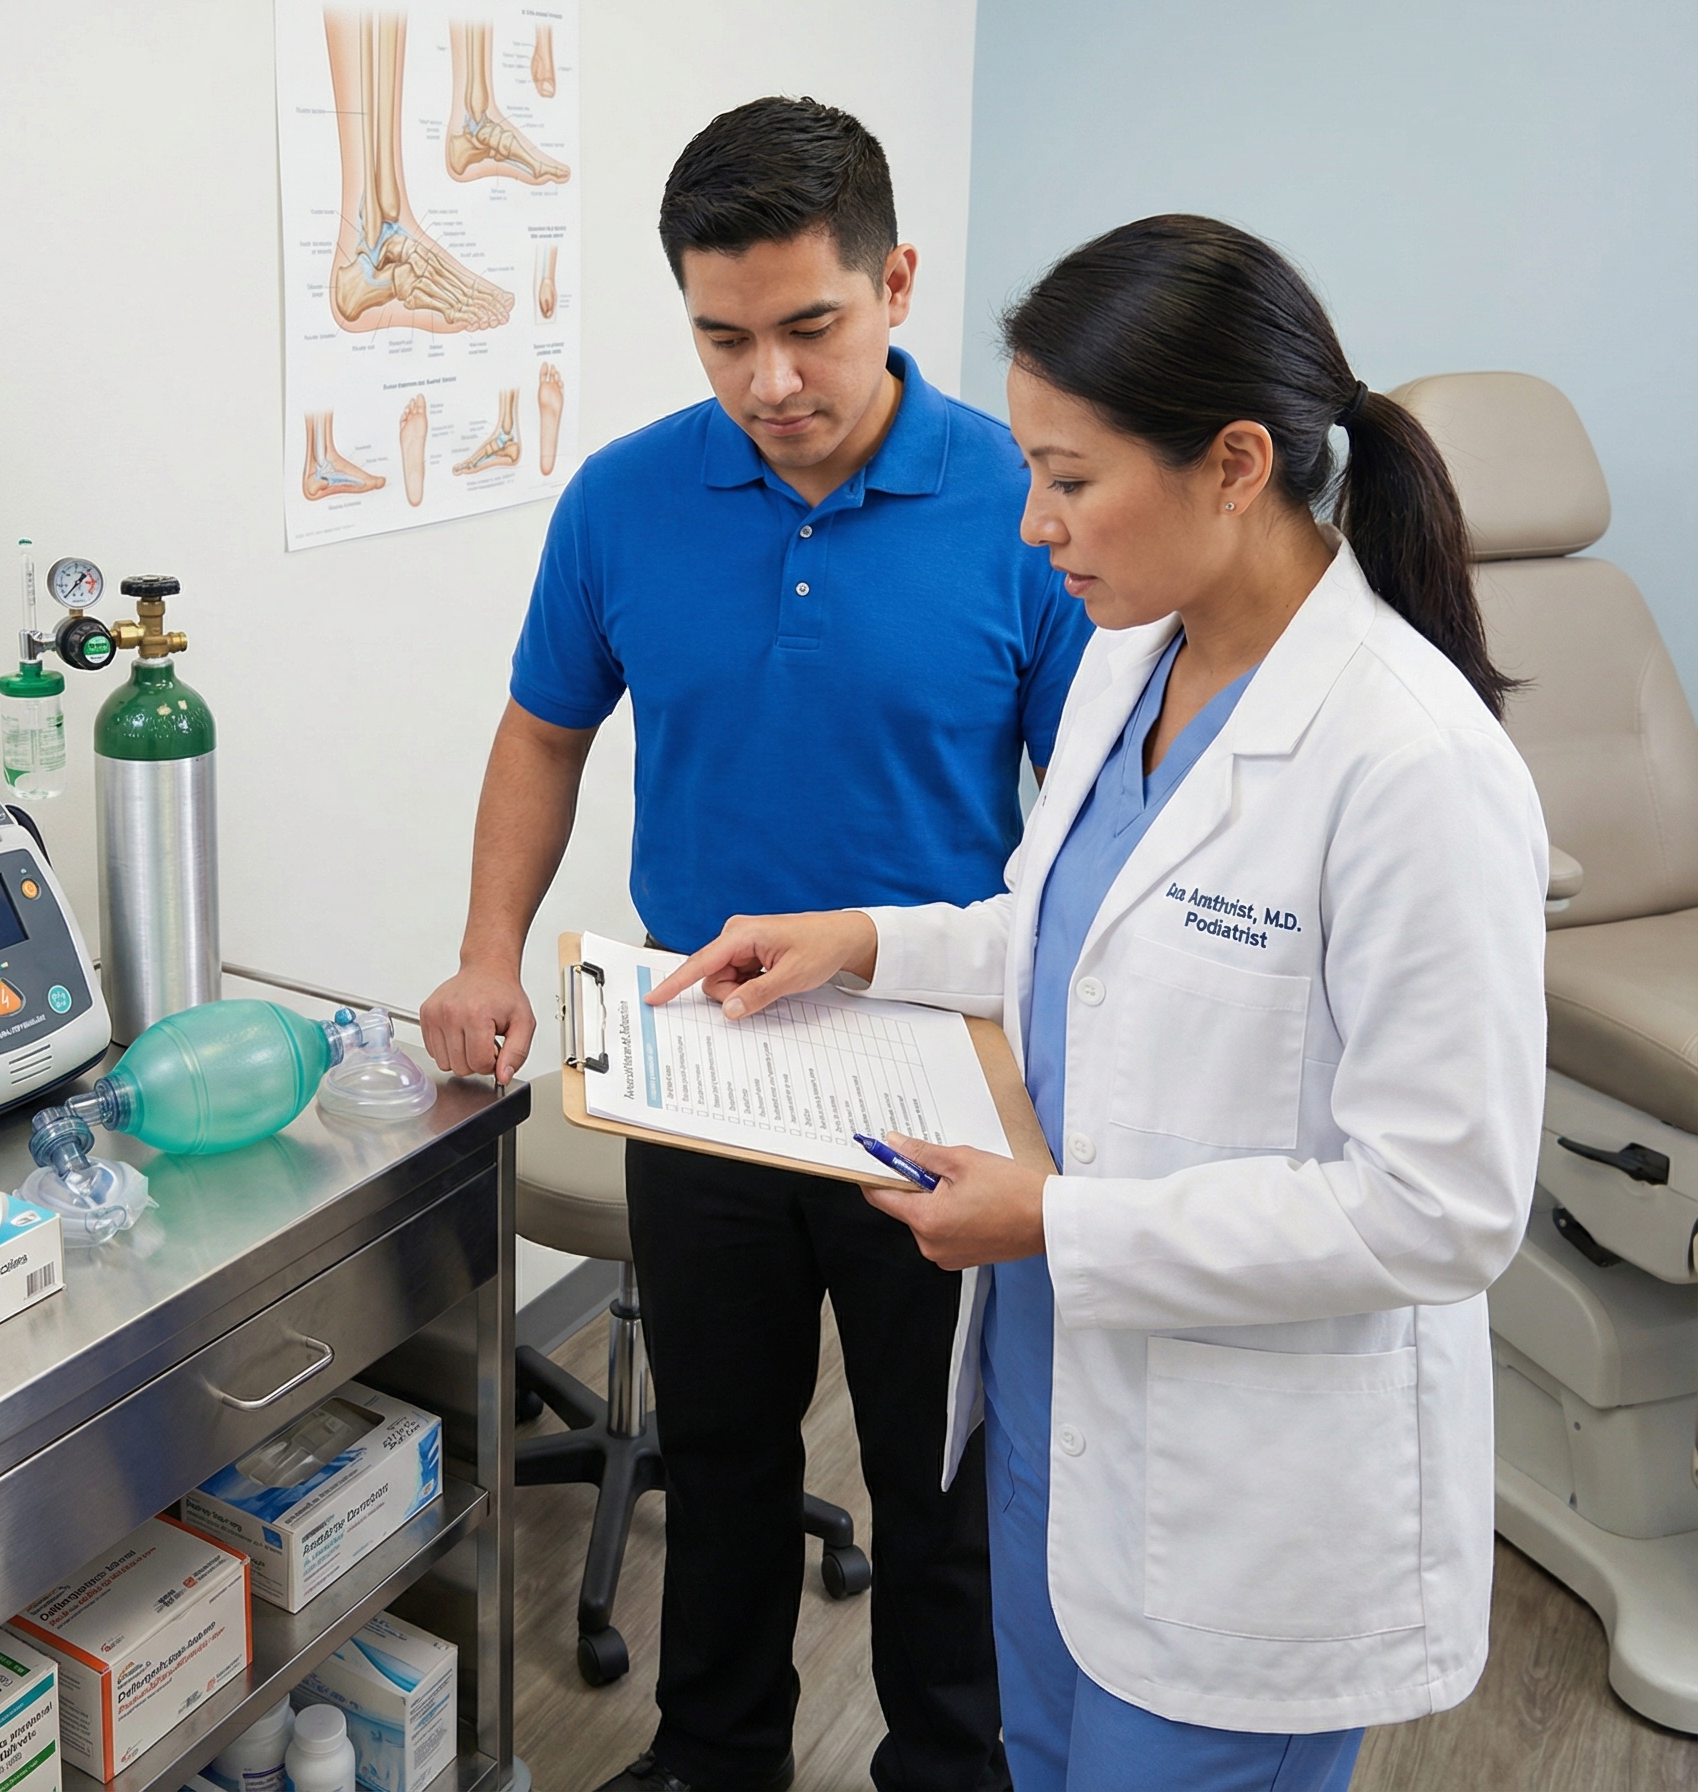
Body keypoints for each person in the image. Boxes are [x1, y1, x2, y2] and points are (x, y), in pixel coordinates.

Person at [647, 215, 1549, 1792]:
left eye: (1070, 479)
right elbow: (1080, 937)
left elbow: (1443, 1211)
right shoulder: (1142, 661)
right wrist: (862, 940)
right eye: (1031, 476)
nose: (1033, 527)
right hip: (1064, 1435)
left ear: (1236, 463)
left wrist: (1055, 1222)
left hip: (1238, 1513)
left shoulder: (1412, 765)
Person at [421, 97, 1090, 1792]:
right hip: (704, 1052)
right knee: (717, 1451)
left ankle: (949, 1764)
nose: (770, 384)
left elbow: (1102, 832)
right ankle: (716, 1757)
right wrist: (490, 950)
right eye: (726, 339)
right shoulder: (628, 499)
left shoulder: (1029, 508)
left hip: (933, 1068)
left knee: (941, 1477)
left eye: (811, 329)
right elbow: (542, 732)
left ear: (897, 285)